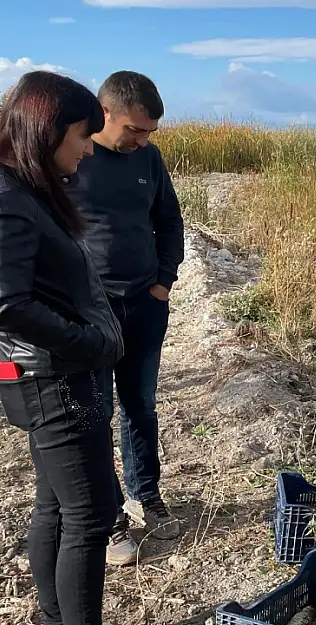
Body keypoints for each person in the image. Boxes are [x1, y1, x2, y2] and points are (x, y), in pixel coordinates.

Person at [0, 70, 125, 625]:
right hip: (53, 380)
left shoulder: (27, 191)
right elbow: (6, 302)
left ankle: (54, 617)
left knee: (57, 504)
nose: (87, 151)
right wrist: (86, 343)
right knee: (92, 515)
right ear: (43, 131)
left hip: (48, 377)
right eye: (80, 136)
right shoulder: (10, 199)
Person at [65, 70, 185, 566]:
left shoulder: (149, 160)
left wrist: (163, 282)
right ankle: (112, 518)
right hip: (85, 313)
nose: (141, 140)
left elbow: (169, 220)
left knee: (140, 403)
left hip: (142, 302)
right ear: (105, 112)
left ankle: (146, 495)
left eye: (150, 132)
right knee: (93, 414)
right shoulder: (69, 158)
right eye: (134, 129)